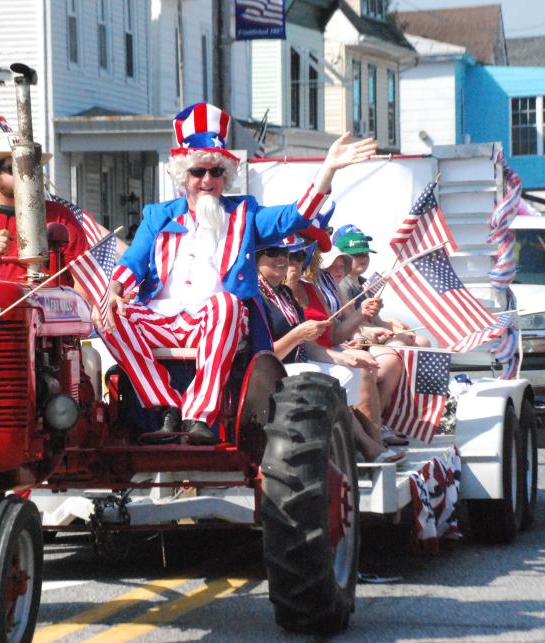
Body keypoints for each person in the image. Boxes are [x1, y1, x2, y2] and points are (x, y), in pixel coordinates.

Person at [102, 102, 377, 444]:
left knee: (226, 304)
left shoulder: (243, 214)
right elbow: (133, 263)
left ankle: (198, 416)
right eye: (198, 172)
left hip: (217, 321)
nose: (207, 180)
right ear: (182, 176)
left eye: (216, 172)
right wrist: (114, 289)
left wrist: (328, 170)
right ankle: (166, 407)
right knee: (109, 314)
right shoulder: (158, 216)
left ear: (225, 177)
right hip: (161, 321)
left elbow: (295, 217)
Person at [256, 241, 404, 463]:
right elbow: (264, 356)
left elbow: (314, 343)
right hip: (269, 370)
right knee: (334, 379)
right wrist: (299, 335)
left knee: (352, 371)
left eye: (292, 254)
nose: (286, 259)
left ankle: (359, 445)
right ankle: (364, 446)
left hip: (300, 359)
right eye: (272, 252)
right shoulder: (254, 296)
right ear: (256, 260)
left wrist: (343, 357)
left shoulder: (285, 293)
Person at [0, 134, 120, 283]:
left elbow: (85, 278)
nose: (26, 173)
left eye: (32, 166)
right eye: (15, 167)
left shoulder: (60, 216)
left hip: (49, 314)